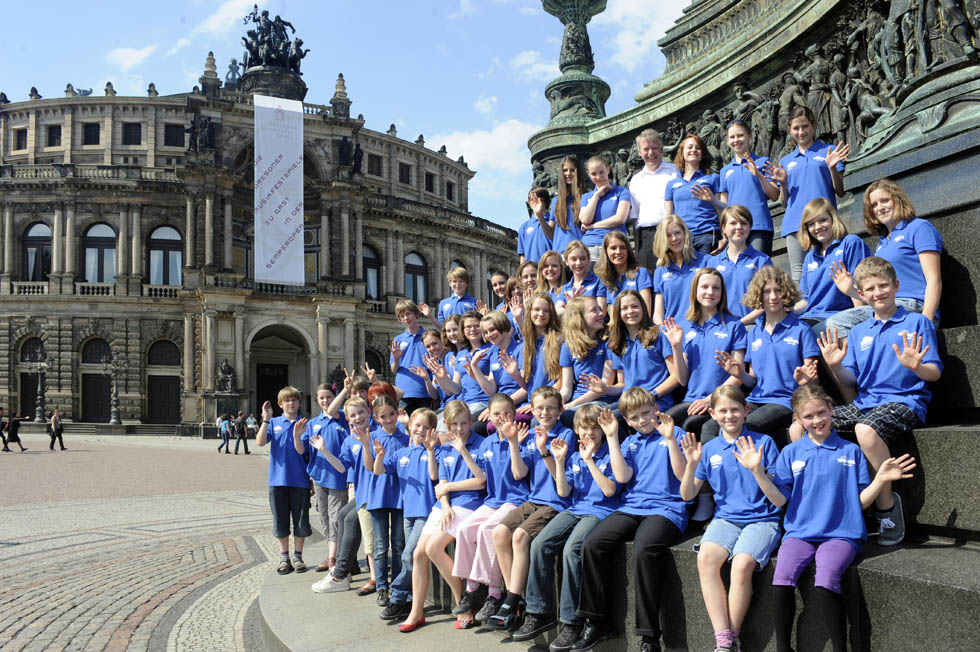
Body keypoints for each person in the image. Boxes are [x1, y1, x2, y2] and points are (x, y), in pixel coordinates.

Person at [735, 384, 916, 652]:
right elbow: (780, 500)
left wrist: (880, 480)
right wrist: (757, 472)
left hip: (842, 534)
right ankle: (783, 648)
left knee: (825, 581)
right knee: (782, 578)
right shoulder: (791, 453)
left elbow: (859, 502)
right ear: (798, 419)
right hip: (800, 533)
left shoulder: (851, 451)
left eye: (821, 412)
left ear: (831, 409)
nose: (817, 420)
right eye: (808, 416)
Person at [815, 256, 942, 546]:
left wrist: (917, 367)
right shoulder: (859, 331)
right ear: (861, 294)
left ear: (896, 286)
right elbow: (850, 380)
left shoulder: (917, 322)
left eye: (883, 286)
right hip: (866, 403)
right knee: (804, 425)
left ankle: (886, 506)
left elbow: (934, 373)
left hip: (906, 401)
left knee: (865, 429)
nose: (878, 293)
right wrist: (834, 366)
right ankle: (827, 502)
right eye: (870, 289)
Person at [571, 388, 688, 651]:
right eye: (634, 417)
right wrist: (612, 436)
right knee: (592, 544)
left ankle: (649, 636)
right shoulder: (630, 443)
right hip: (633, 506)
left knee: (644, 549)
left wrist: (670, 439)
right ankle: (596, 621)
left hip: (667, 508)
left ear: (656, 409)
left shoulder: (675, 434)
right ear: (627, 421)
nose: (642, 420)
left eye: (646, 413)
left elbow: (683, 477)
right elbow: (622, 477)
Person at [679, 386, 782, 652]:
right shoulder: (709, 449)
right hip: (726, 519)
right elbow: (687, 494)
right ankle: (723, 638)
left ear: (746, 410)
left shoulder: (764, 442)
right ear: (712, 414)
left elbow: (779, 500)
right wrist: (691, 465)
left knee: (742, 563)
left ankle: (731, 639)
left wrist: (757, 470)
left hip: (763, 519)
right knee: (705, 558)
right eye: (722, 411)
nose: (729, 416)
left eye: (735, 409)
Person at [510, 403, 621, 648]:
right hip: (576, 508)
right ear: (577, 430)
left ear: (602, 430)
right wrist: (559, 462)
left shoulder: (611, 453)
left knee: (572, 550)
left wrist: (590, 461)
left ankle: (571, 622)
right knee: (539, 544)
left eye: (594, 428)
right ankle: (539, 612)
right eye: (584, 428)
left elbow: (609, 490)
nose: (589, 433)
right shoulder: (575, 455)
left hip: (601, 511)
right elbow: (563, 491)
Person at [487, 386, 576, 630]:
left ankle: (511, 601)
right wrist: (513, 442)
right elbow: (519, 473)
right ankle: (514, 598)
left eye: (550, 408)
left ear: (560, 410)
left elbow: (560, 481)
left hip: (556, 502)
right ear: (532, 411)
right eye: (540, 408)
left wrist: (544, 449)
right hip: (534, 499)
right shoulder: (532, 434)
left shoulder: (566, 435)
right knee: (499, 532)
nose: (545, 413)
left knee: (520, 536)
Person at [706, 266, 820, 447]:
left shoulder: (801, 330)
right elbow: (753, 381)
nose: (773, 297)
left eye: (778, 290)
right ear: (759, 295)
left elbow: (813, 379)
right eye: (767, 292)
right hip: (755, 399)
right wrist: (740, 374)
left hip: (786, 401)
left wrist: (806, 381)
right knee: (709, 427)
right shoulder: (754, 333)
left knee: (743, 427)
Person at [399, 401, 486, 632]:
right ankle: (416, 612)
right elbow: (440, 482)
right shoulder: (445, 447)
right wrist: (445, 504)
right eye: (454, 424)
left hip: (469, 504)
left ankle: (463, 603)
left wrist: (449, 487)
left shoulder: (480, 444)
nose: (459, 428)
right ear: (446, 424)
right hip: (445, 505)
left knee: (434, 548)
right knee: (418, 553)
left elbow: (480, 482)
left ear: (471, 421)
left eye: (464, 423)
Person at [824, 179, 943, 338]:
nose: (880, 207)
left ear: (898, 200)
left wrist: (925, 323)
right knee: (835, 326)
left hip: (914, 307)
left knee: (840, 323)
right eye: (874, 205)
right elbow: (878, 295)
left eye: (885, 200)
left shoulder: (919, 228)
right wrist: (851, 290)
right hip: (887, 307)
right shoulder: (882, 243)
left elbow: (934, 280)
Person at [450, 395, 529, 627]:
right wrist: (463, 451)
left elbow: (520, 475)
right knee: (464, 529)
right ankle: (472, 588)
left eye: (506, 413)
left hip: (516, 499)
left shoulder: (522, 437)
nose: (502, 418)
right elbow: (482, 477)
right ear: (489, 417)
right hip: (493, 500)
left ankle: (494, 593)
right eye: (496, 414)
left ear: (514, 414)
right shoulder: (487, 443)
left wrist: (513, 442)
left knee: (487, 530)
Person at [371, 408, 439, 621]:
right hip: (408, 512)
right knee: (411, 557)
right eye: (417, 425)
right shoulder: (402, 453)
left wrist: (431, 450)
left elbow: (434, 475)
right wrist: (380, 456)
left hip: (427, 513)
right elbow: (378, 470)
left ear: (432, 430)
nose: (420, 430)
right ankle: (409, 599)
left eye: (426, 427)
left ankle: (398, 596)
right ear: (409, 426)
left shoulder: (436, 451)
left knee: (408, 555)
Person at [767, 106, 849, 281]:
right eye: (796, 128)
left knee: (832, 268)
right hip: (795, 224)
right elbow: (784, 202)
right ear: (790, 130)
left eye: (805, 126)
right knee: (799, 275)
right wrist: (783, 183)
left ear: (814, 125)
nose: (801, 132)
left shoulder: (829, 151)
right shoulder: (785, 161)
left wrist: (832, 168)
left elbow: (840, 191)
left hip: (825, 221)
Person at [667, 268, 747, 438]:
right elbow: (682, 380)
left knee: (688, 426)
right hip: (692, 399)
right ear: (695, 290)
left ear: (722, 292)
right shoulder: (685, 326)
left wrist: (710, 399)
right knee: (663, 423)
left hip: (722, 400)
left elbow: (738, 376)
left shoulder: (734, 326)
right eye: (704, 287)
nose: (710, 292)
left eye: (716, 288)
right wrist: (676, 346)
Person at [312, 396, 377, 593]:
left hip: (377, 493)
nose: (358, 418)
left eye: (361, 412)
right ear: (348, 419)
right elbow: (341, 468)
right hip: (363, 492)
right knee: (341, 515)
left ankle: (339, 574)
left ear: (369, 412)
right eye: (353, 415)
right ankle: (344, 570)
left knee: (350, 520)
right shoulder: (350, 440)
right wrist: (324, 450)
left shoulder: (378, 434)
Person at [359, 395, 409, 608]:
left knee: (398, 545)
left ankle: (397, 587)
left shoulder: (405, 437)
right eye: (383, 416)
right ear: (376, 418)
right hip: (378, 496)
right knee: (381, 546)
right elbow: (369, 467)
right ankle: (381, 587)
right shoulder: (372, 436)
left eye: (391, 414)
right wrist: (365, 446)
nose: (388, 420)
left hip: (399, 496)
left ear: (397, 413)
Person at [256, 387, 312, 575]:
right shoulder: (274, 423)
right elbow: (260, 442)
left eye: (294, 400)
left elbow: (303, 451)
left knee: (300, 520)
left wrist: (297, 435)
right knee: (280, 520)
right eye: (287, 400)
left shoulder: (306, 424)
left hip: (300, 479)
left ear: (299, 403)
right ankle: (284, 557)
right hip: (277, 479)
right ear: (280, 404)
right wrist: (266, 418)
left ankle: (298, 556)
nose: (291, 403)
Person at [794, 197, 871, 333]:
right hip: (810, 316)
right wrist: (784, 310)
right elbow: (806, 300)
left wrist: (862, 328)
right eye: (811, 224)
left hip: (835, 317)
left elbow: (860, 286)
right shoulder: (810, 257)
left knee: (802, 334)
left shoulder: (850, 243)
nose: (817, 227)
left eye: (822, 220)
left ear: (833, 219)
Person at [601, 290, 684, 413]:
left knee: (610, 419)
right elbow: (623, 385)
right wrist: (605, 389)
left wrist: (652, 395)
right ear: (618, 313)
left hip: (655, 403)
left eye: (635, 306)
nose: (630, 311)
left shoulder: (659, 334)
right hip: (628, 403)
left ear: (643, 308)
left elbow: (676, 376)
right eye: (624, 308)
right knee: (593, 416)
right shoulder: (617, 341)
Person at [712, 120, 780, 255]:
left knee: (760, 268)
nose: (736, 140)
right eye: (732, 137)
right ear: (727, 141)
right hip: (734, 229)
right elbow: (725, 206)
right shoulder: (725, 171)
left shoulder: (763, 162)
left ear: (749, 135)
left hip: (759, 225)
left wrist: (759, 176)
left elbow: (774, 195)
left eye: (740, 135)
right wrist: (724, 233)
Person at [304, 384, 348, 572]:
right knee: (324, 516)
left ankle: (334, 557)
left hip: (338, 476)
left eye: (329, 396)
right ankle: (332, 553)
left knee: (335, 517)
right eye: (321, 398)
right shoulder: (313, 422)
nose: (325, 401)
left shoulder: (343, 417)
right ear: (316, 400)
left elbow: (332, 411)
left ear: (335, 397)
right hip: (319, 476)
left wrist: (345, 390)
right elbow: (304, 450)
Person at [706, 205, 773, 325]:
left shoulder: (762, 260)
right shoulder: (712, 263)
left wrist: (740, 324)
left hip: (753, 327)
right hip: (722, 327)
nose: (739, 227)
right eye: (733, 223)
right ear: (723, 228)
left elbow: (768, 299)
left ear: (750, 227)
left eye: (743, 223)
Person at [558, 297, 613, 427]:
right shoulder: (568, 346)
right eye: (594, 310)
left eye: (600, 309)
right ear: (579, 318)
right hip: (576, 400)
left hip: (600, 401)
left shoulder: (607, 342)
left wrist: (572, 405)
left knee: (567, 416)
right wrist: (556, 404)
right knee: (538, 420)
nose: (601, 313)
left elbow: (605, 385)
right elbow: (566, 389)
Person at [628, 129, 677, 272]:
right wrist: (637, 249)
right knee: (650, 279)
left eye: (654, 148)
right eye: (646, 149)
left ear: (662, 149)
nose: (651, 153)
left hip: (672, 233)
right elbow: (635, 217)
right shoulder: (636, 180)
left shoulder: (675, 172)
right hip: (647, 237)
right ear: (639, 152)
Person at [664, 134, 722, 255]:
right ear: (682, 153)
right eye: (689, 147)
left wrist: (725, 236)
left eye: (698, 148)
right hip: (682, 238)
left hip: (707, 235)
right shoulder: (671, 184)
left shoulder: (713, 178)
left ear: (702, 153)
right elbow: (668, 216)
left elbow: (720, 210)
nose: (694, 150)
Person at [652, 214, 708, 324]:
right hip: (673, 330)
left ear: (685, 233)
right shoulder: (660, 271)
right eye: (668, 235)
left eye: (677, 233)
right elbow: (658, 313)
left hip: (702, 328)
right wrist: (662, 329)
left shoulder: (706, 261)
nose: (674, 238)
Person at [514, 292, 563, 416]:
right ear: (529, 312)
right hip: (530, 404)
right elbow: (526, 386)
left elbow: (561, 382)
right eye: (537, 309)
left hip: (548, 404)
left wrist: (538, 403)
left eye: (546, 311)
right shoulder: (525, 346)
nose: (541, 314)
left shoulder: (559, 341)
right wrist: (514, 373)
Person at [579, 156, 631, 261]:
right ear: (588, 174)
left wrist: (591, 226)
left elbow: (620, 219)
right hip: (590, 247)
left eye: (601, 172)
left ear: (608, 169)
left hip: (615, 246)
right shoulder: (586, 197)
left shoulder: (622, 192)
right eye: (593, 174)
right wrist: (596, 195)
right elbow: (585, 220)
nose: (598, 177)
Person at [595, 231, 653, 316]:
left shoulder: (641, 273)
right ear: (606, 251)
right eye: (613, 248)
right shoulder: (608, 279)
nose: (618, 252)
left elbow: (647, 312)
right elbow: (613, 319)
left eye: (622, 247)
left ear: (628, 250)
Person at [390, 299, 431, 415]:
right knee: (405, 423)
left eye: (408, 314)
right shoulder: (398, 339)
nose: (406, 318)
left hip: (425, 391)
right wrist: (396, 359)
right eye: (402, 316)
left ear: (416, 314)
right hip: (405, 392)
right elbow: (394, 369)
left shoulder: (427, 337)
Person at [551, 156, 588, 255]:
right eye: (565, 170)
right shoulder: (556, 201)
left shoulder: (586, 197)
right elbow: (551, 233)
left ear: (578, 172)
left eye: (572, 170)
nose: (568, 173)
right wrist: (540, 216)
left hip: (581, 252)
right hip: (561, 253)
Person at [556, 240, 602, 316]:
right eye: (574, 259)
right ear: (566, 261)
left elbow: (601, 311)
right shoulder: (566, 288)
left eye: (583, 258)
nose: (578, 263)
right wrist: (572, 306)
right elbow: (557, 313)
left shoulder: (599, 282)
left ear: (588, 260)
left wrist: (574, 306)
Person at [519, 187, 556, 264]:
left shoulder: (552, 222)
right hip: (532, 269)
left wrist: (540, 216)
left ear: (544, 201)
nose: (533, 202)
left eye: (536, 199)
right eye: (531, 199)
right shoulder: (524, 226)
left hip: (549, 267)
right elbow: (522, 254)